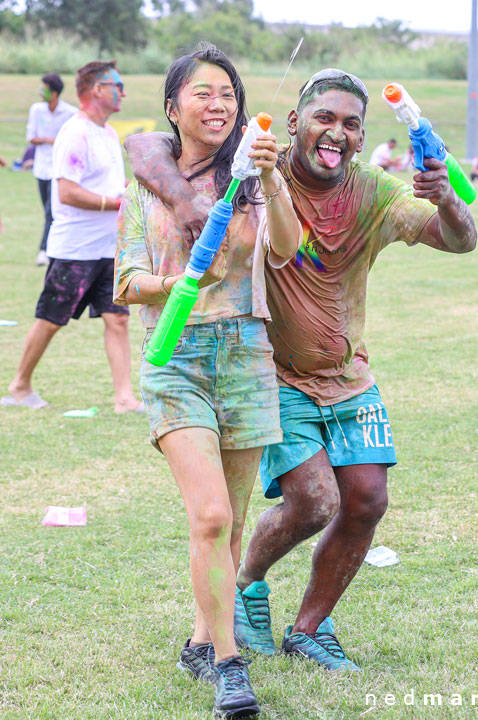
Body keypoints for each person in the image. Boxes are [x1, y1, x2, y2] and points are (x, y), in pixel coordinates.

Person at [125, 67, 477, 673]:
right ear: (294, 123)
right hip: (273, 374)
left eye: (351, 125)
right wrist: (185, 200)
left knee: (366, 500)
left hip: (349, 374)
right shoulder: (261, 168)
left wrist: (447, 197)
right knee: (313, 501)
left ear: (363, 137)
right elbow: (146, 143)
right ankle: (248, 581)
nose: (336, 133)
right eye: (324, 118)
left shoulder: (376, 190)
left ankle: (309, 628)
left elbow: (461, 241)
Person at [115, 45, 300, 718]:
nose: (218, 103)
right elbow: (127, 280)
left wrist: (272, 178)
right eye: (202, 92)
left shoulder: (252, 177)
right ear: (173, 107)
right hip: (178, 358)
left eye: (228, 93)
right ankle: (229, 665)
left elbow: (287, 247)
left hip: (249, 353)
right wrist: (181, 281)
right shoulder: (146, 183)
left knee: (233, 520)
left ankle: (201, 639)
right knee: (212, 514)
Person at [1, 60, 142, 413]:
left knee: (119, 318)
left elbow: (110, 185)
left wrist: (136, 191)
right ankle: (19, 386)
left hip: (108, 248)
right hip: (75, 250)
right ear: (97, 90)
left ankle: (124, 399)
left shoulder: (108, 133)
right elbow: (67, 192)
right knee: (51, 319)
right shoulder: (74, 133)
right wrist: (114, 203)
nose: (123, 91)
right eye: (117, 85)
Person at [26, 73, 76, 265]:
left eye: (44, 88)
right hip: (41, 167)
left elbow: (69, 140)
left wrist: (49, 141)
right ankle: (54, 248)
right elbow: (31, 137)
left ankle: (44, 250)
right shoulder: (36, 110)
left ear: (54, 92)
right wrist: (51, 140)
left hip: (59, 168)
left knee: (51, 211)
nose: (41, 91)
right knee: (47, 210)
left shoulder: (69, 112)